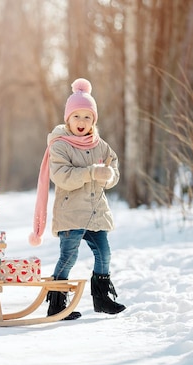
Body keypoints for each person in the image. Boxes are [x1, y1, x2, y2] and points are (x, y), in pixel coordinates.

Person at [29, 78, 126, 320]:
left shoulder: (99, 145)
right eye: (76, 116)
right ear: (67, 119)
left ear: (93, 120)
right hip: (71, 213)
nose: (82, 122)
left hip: (95, 212)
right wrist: (92, 172)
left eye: (87, 117)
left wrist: (109, 175)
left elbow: (112, 168)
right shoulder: (60, 146)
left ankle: (102, 297)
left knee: (104, 253)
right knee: (69, 256)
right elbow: (62, 176)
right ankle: (57, 302)